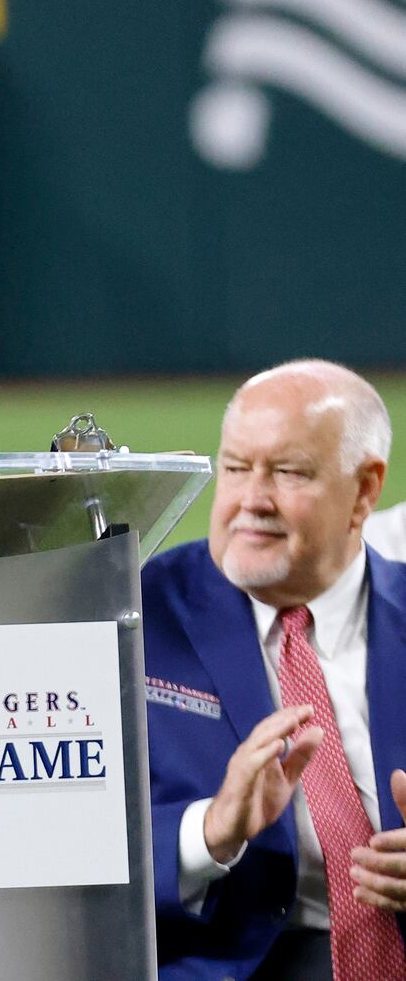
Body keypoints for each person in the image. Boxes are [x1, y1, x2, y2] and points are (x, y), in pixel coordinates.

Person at [142, 360, 406, 980]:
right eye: (235, 468)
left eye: (288, 473)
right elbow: (65, 844)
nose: (250, 502)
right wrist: (207, 833)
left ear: (365, 490)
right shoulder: (136, 618)